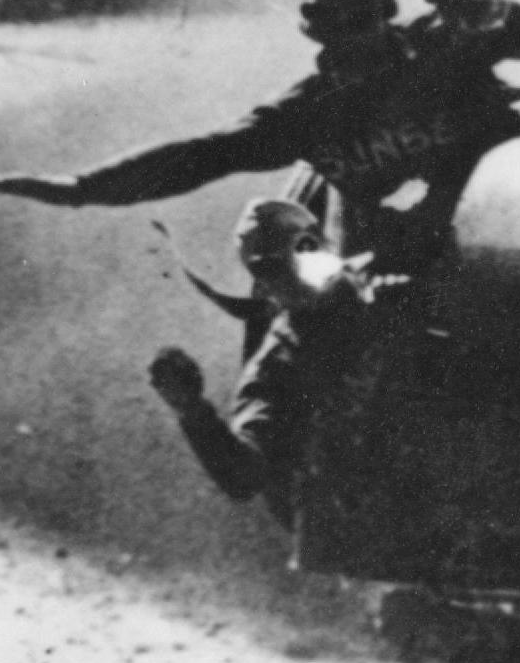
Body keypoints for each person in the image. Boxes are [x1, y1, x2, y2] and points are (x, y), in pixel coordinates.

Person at [0, 0, 520, 269]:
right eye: (334, 24)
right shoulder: (306, 111)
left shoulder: (443, 43)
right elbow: (204, 156)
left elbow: (514, 24)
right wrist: (86, 188)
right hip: (407, 266)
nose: (353, 36)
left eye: (360, 17)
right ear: (315, 30)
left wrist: (487, 11)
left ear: (384, 12)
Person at [147, 198, 386, 510]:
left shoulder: (389, 278)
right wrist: (193, 410)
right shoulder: (278, 367)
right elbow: (244, 477)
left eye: (304, 247)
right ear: (263, 285)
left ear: (323, 241)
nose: (294, 271)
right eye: (273, 268)